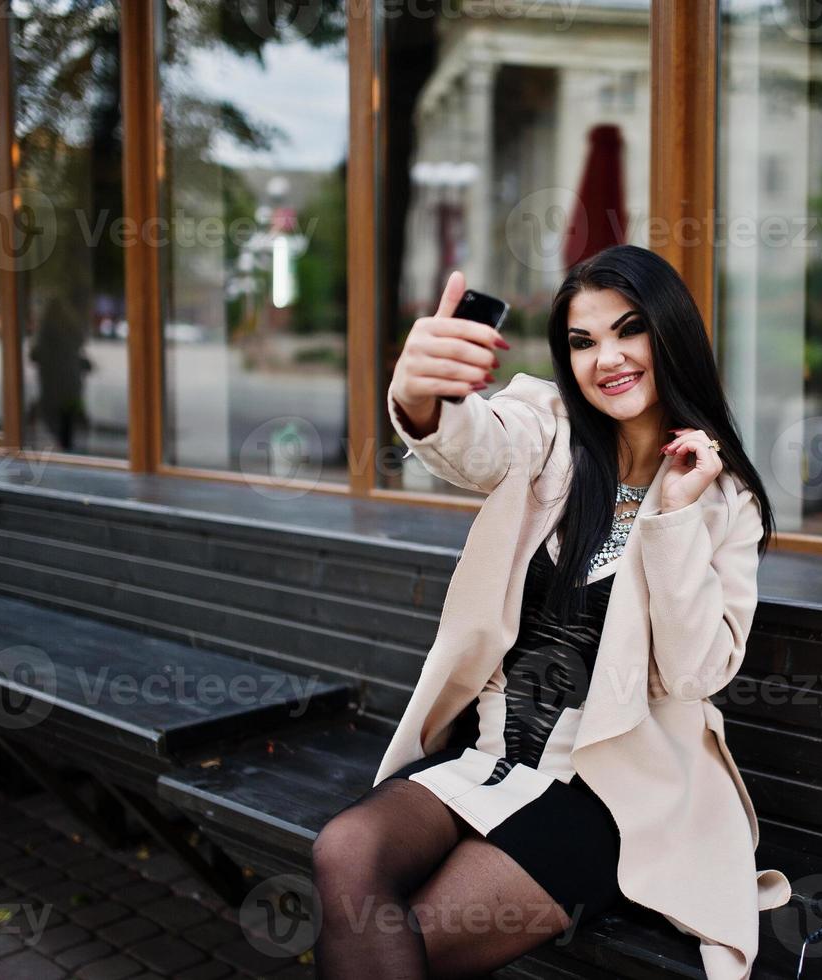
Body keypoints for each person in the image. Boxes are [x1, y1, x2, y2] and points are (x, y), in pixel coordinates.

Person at [311, 245, 791, 979]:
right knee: (343, 849)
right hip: (484, 756)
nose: (607, 358)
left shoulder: (725, 502)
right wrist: (416, 394)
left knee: (409, 942)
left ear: (671, 335)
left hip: (606, 793)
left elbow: (695, 673)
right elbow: (473, 444)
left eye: (629, 330)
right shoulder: (548, 433)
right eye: (582, 340)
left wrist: (671, 520)